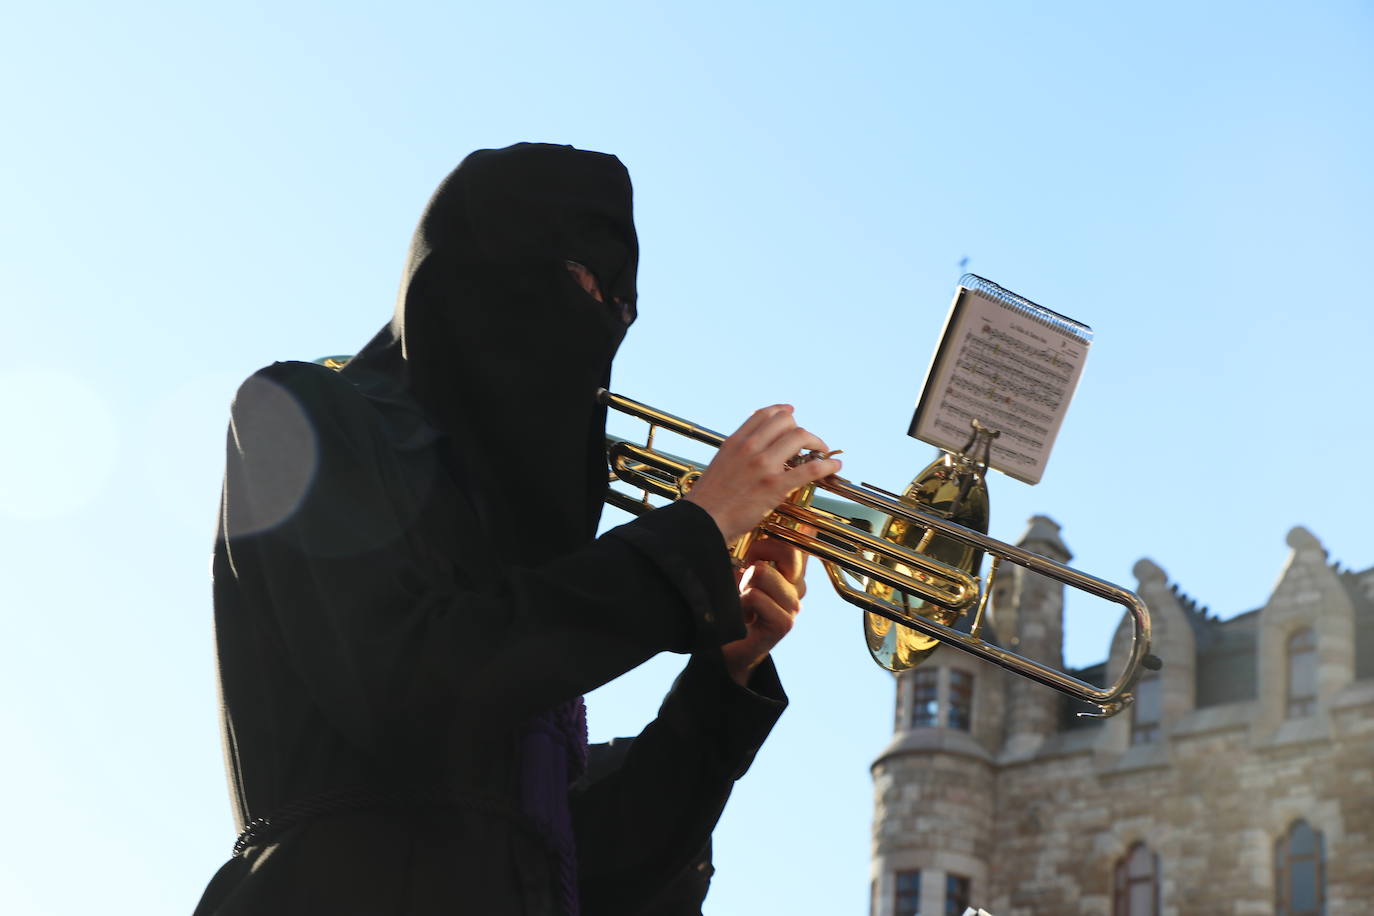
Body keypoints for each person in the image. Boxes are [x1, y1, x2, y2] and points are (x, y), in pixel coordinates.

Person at [191, 143, 841, 916]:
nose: (602, 320)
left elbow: (584, 867)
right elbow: (405, 680)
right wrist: (691, 538)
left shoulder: (523, 592)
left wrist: (723, 677)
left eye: (619, 307)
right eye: (581, 281)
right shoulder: (298, 414)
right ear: (478, 264)